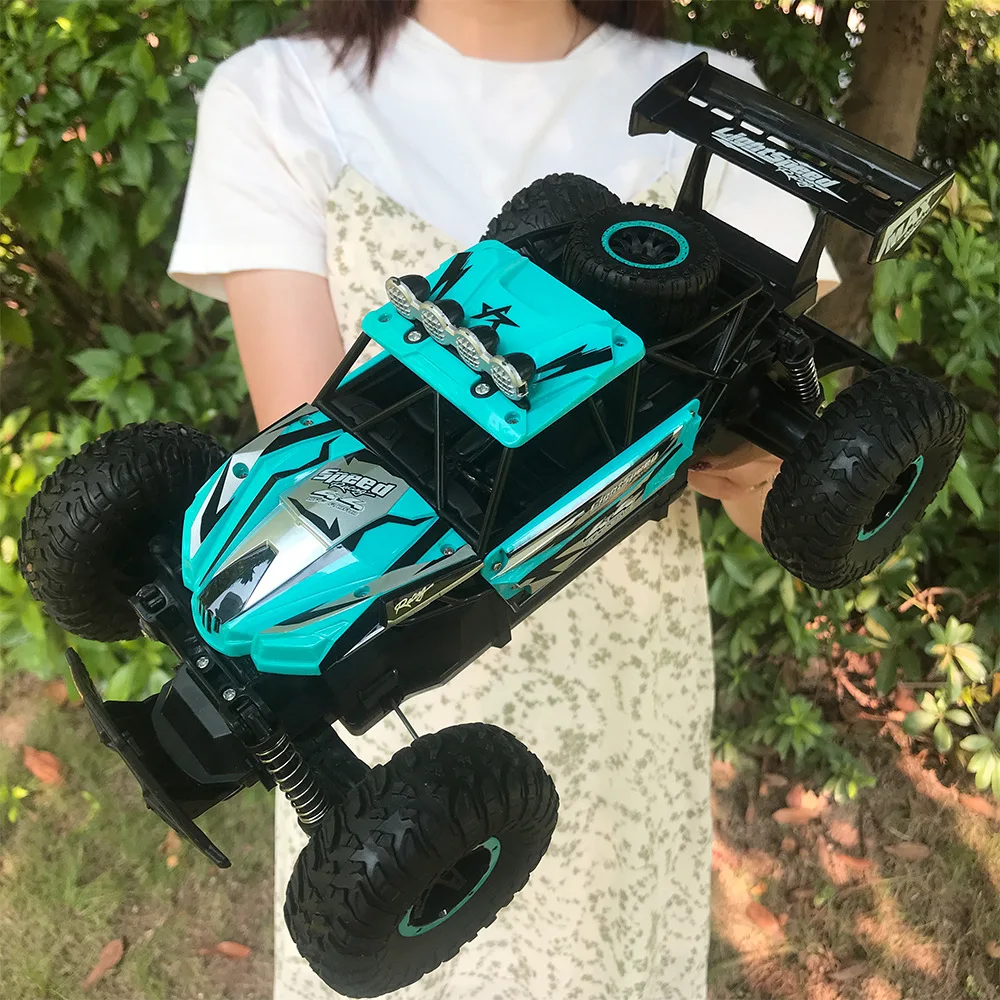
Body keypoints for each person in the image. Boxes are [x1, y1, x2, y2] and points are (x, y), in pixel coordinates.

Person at [168, 3, 838, 998]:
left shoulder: (721, 100)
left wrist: (746, 439)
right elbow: (308, 447)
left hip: (619, 680)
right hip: (373, 665)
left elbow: (780, 497)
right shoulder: (275, 95)